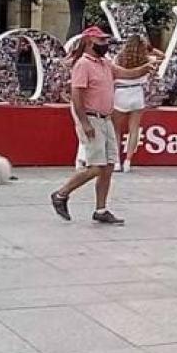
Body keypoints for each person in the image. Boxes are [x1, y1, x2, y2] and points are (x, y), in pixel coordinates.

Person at [50, 26, 156, 224]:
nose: (105, 45)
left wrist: (144, 69)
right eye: (101, 42)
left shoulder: (105, 63)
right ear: (90, 42)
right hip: (92, 118)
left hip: (105, 118)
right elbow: (76, 95)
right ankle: (61, 194)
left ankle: (101, 209)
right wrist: (84, 122)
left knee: (107, 166)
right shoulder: (83, 64)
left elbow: (125, 73)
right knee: (96, 166)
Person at [112, 34, 156, 173]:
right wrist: (150, 48)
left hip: (120, 93)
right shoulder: (147, 60)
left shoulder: (118, 58)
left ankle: (116, 162)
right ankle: (128, 161)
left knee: (116, 130)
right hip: (137, 93)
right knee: (134, 130)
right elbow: (162, 56)